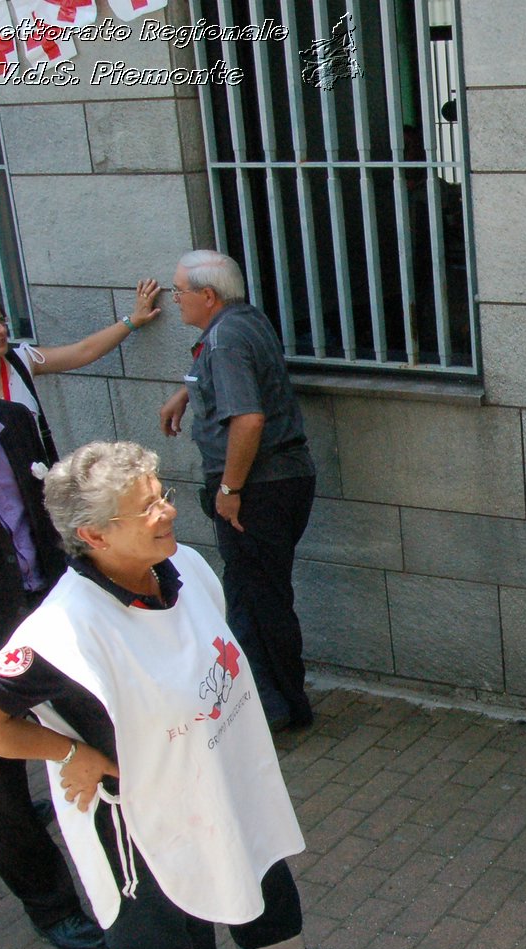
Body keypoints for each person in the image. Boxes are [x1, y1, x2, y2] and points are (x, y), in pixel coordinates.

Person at [0, 441, 350, 949]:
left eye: (162, 495)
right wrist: (65, 752)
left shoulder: (182, 566)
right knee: (172, 946)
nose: (168, 511)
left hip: (218, 775)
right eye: (147, 507)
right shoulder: (62, 630)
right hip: (137, 821)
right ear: (94, 535)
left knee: (262, 871)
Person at [0, 306, 106, 949]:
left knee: (108, 737)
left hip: (55, 625)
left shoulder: (14, 422)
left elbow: (55, 518)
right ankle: (54, 907)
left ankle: (132, 866)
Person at [159, 250, 318, 730]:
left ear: (208, 296)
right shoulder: (243, 321)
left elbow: (248, 417)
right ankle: (265, 705)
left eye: (179, 292)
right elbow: (236, 375)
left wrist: (230, 488)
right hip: (283, 480)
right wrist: (188, 390)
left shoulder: (224, 341)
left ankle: (280, 709)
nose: (175, 300)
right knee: (250, 597)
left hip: (257, 489)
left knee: (261, 601)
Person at [0, 282, 163, 462]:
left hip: (35, 482)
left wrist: (132, 320)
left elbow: (83, 351)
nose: (1, 330)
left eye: (1, 320)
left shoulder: (22, 361)